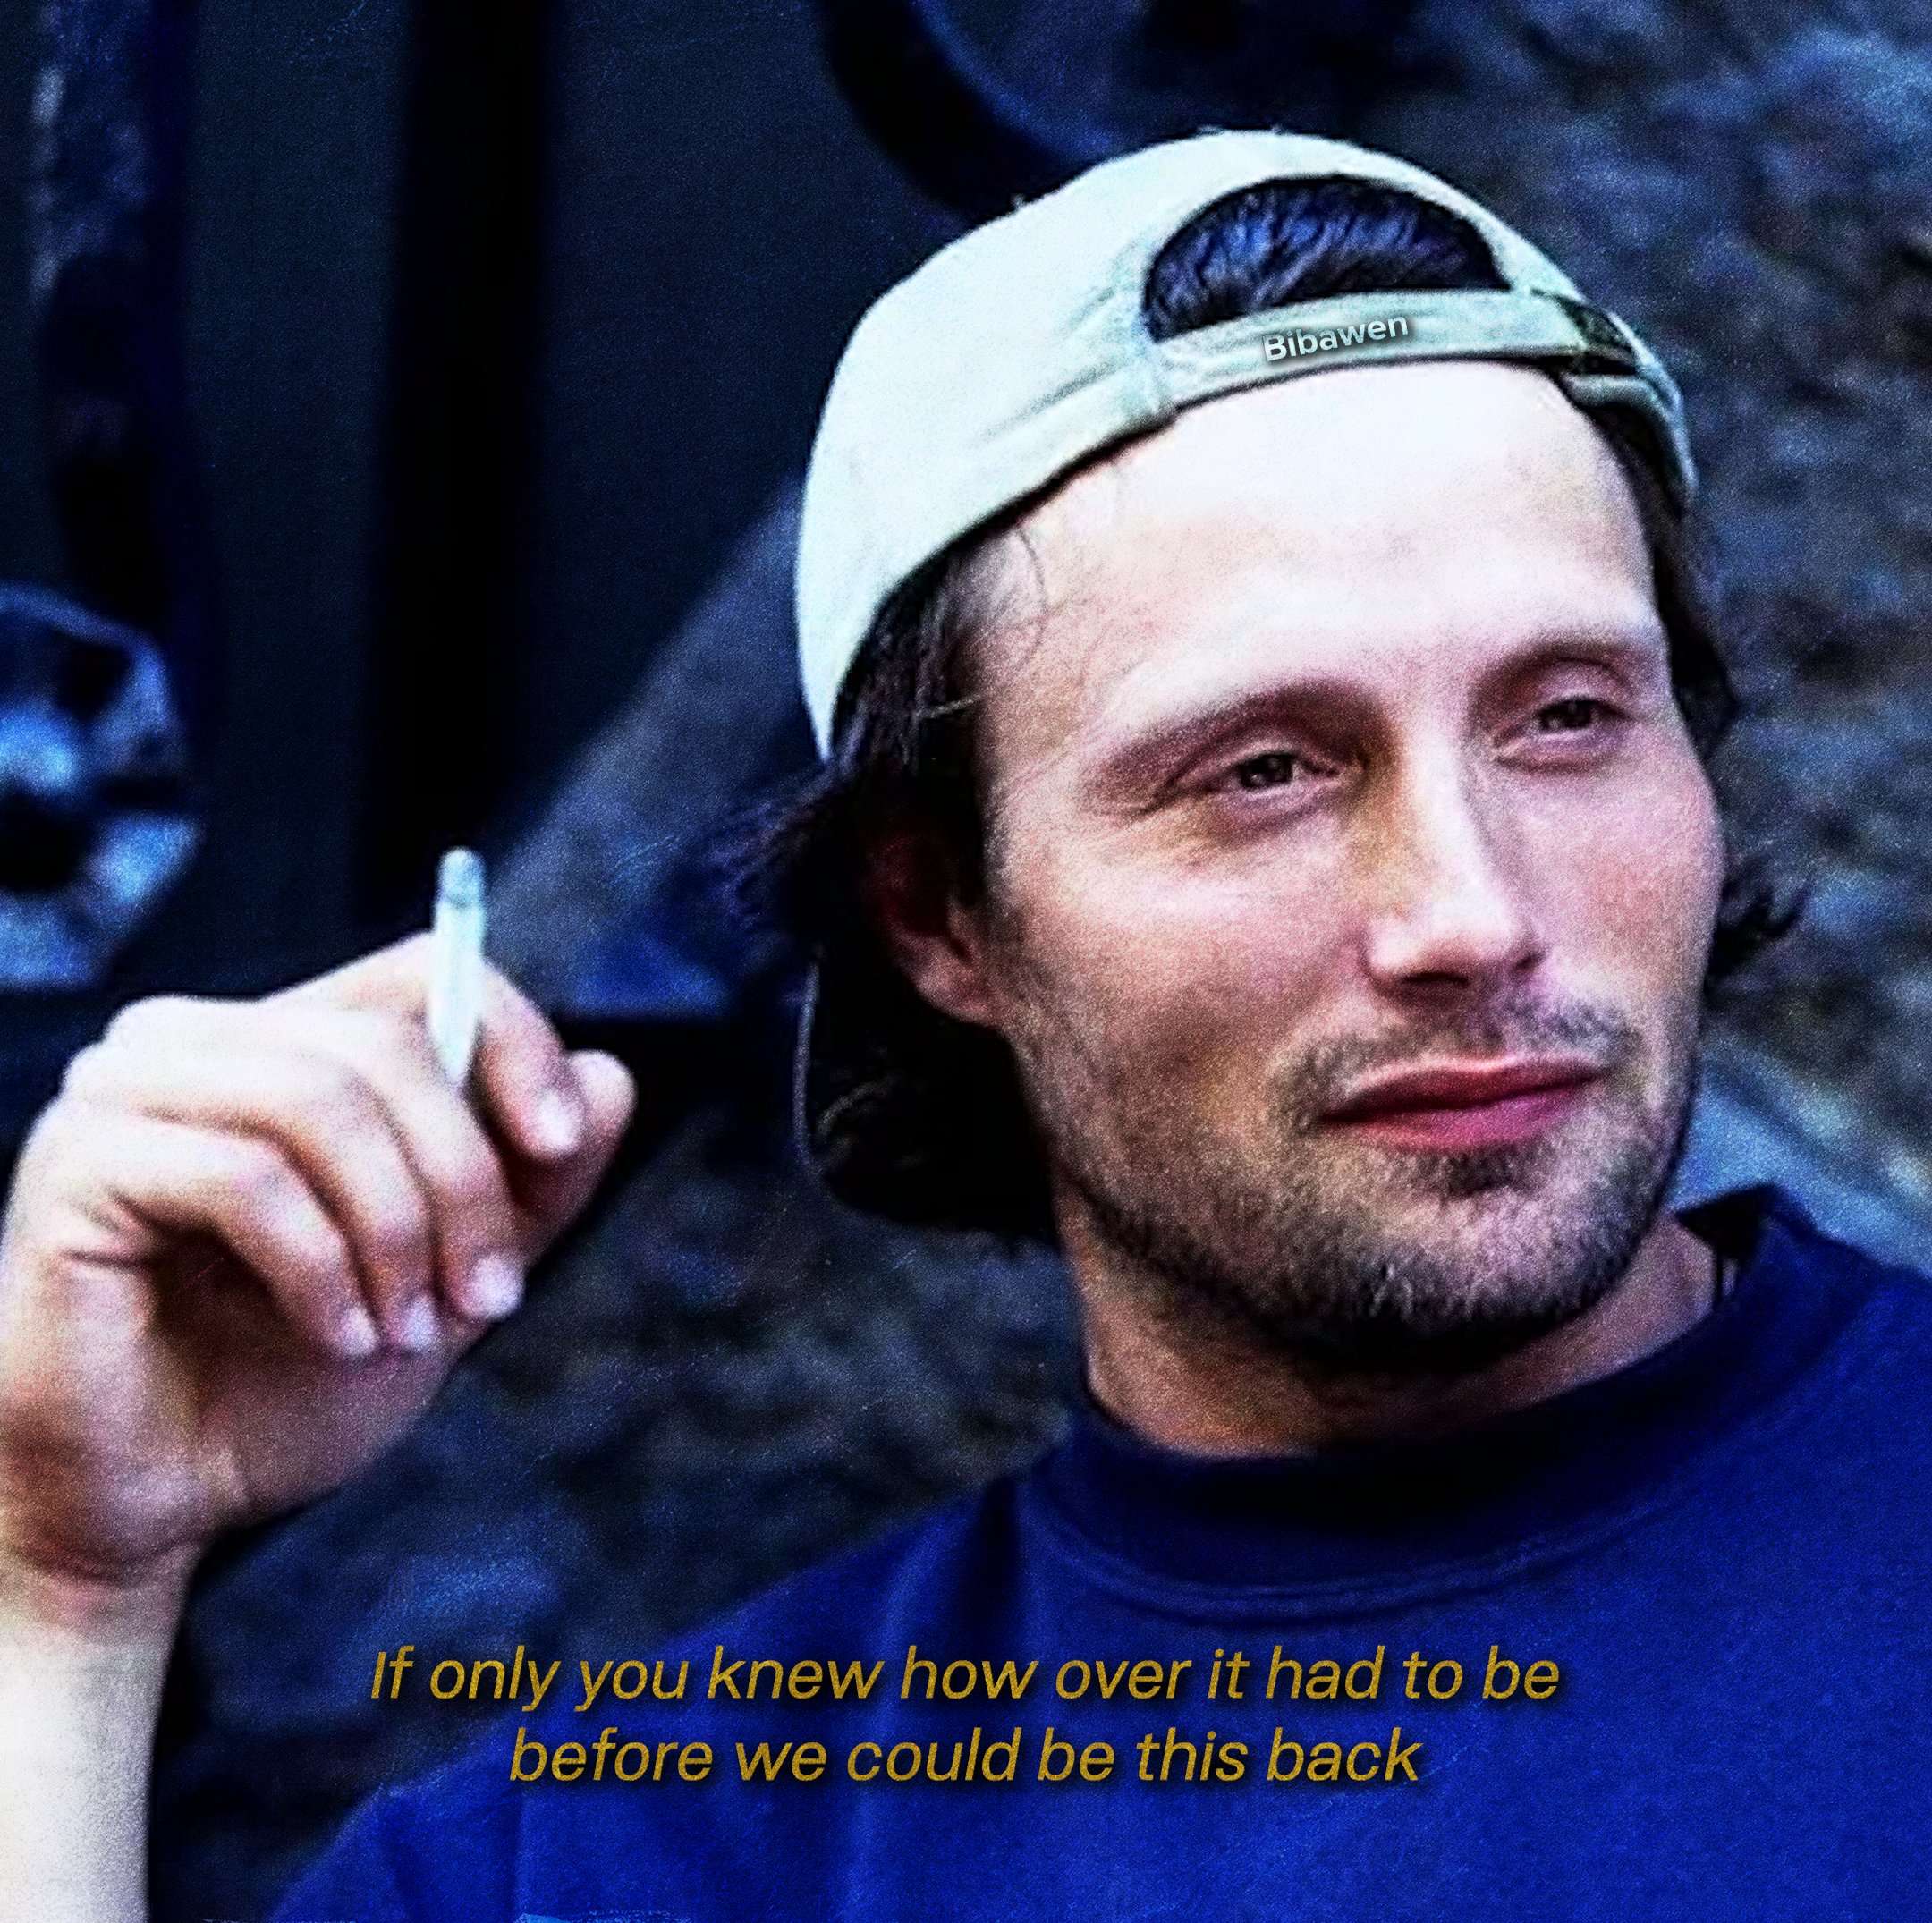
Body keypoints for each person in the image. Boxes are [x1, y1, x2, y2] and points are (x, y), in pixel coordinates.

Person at [2, 129, 1928, 1923]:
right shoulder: (621, 1857)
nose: (1473, 915)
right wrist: (68, 1588)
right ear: (940, 916)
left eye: (1569, 718)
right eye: (1263, 769)